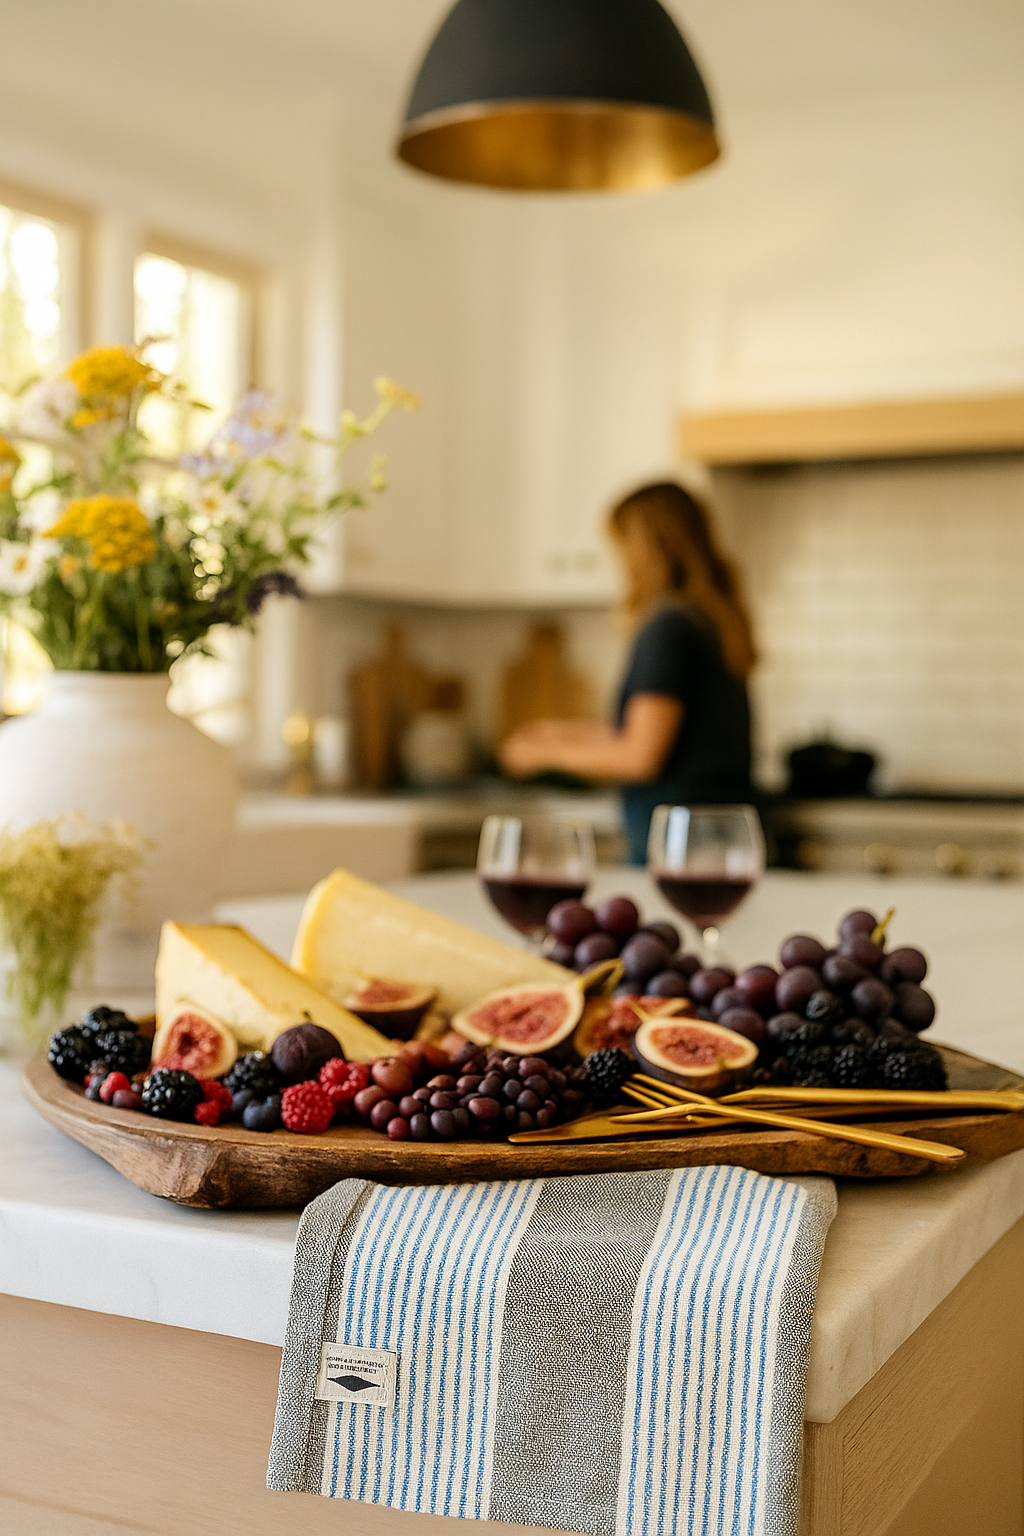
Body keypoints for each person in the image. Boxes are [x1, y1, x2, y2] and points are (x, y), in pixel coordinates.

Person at [498, 481, 756, 863]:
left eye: (621, 546)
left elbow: (639, 756)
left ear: (646, 549)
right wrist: (562, 734)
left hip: (680, 848)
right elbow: (651, 734)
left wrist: (544, 754)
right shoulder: (708, 620)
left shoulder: (668, 626)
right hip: (713, 837)